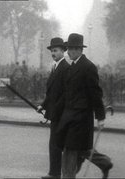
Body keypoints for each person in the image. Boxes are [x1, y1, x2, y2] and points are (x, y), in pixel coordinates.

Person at [56, 33, 113, 178]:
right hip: (70, 118)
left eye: (71, 49)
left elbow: (95, 94)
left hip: (80, 119)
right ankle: (104, 163)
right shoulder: (71, 66)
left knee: (70, 151)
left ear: (79, 50)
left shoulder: (88, 67)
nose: (68, 52)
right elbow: (66, 94)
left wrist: (100, 117)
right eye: (68, 49)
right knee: (81, 150)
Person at [36, 37, 70, 179]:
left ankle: (55, 173)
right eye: (51, 51)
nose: (53, 53)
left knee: (61, 145)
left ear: (63, 51)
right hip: (56, 113)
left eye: (55, 50)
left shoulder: (65, 68)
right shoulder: (56, 67)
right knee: (55, 144)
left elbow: (65, 94)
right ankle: (54, 173)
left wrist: (53, 110)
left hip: (61, 114)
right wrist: (43, 106)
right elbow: (52, 93)